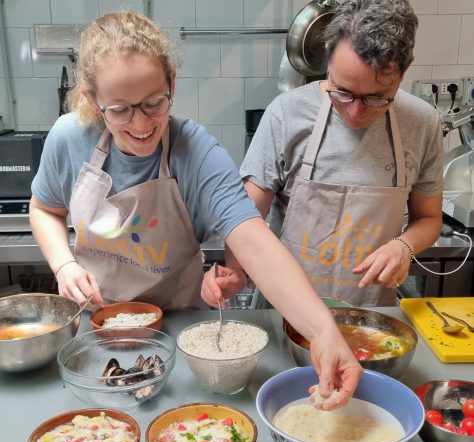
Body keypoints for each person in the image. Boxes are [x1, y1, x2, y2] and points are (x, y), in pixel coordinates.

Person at [29, 11, 362, 408]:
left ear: (172, 81)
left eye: (154, 102)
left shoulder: (196, 151)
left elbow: (254, 242)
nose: (140, 124)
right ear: (92, 99)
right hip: (96, 327)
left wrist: (324, 334)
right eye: (119, 110)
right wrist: (64, 265)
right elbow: (45, 209)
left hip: (182, 328)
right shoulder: (69, 139)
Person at [203, 0, 443, 308]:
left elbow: (429, 218)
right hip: (284, 311)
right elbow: (246, 215)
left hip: (369, 316)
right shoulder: (286, 114)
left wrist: (404, 246)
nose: (355, 111)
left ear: (402, 74)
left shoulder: (421, 122)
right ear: (328, 62)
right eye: (342, 90)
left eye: (375, 97)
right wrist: (235, 270)